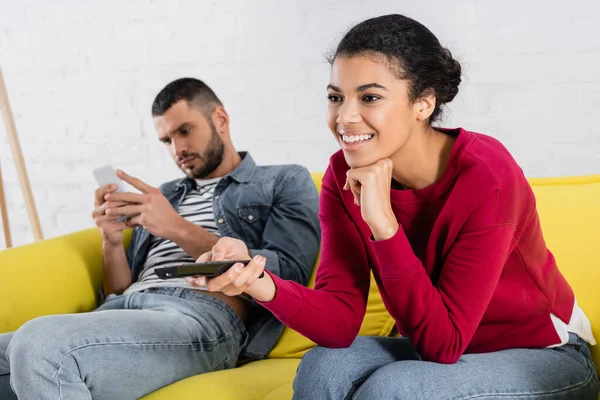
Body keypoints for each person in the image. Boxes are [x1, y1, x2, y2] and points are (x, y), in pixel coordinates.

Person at [189, 15, 599, 399]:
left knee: (396, 388)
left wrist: (384, 226)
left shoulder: (487, 176)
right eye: (336, 97)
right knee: (323, 366)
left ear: (423, 103)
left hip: (545, 353)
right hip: (439, 351)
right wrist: (257, 281)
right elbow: (340, 321)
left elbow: (444, 344)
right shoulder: (342, 175)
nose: (345, 117)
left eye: (370, 97)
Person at [0, 78, 320, 400]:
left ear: (220, 119)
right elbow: (120, 291)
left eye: (184, 131)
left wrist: (175, 227)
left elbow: (288, 273)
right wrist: (110, 241)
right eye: (166, 140)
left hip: (200, 318)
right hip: (124, 310)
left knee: (40, 344)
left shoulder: (283, 179)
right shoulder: (167, 194)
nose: (177, 150)